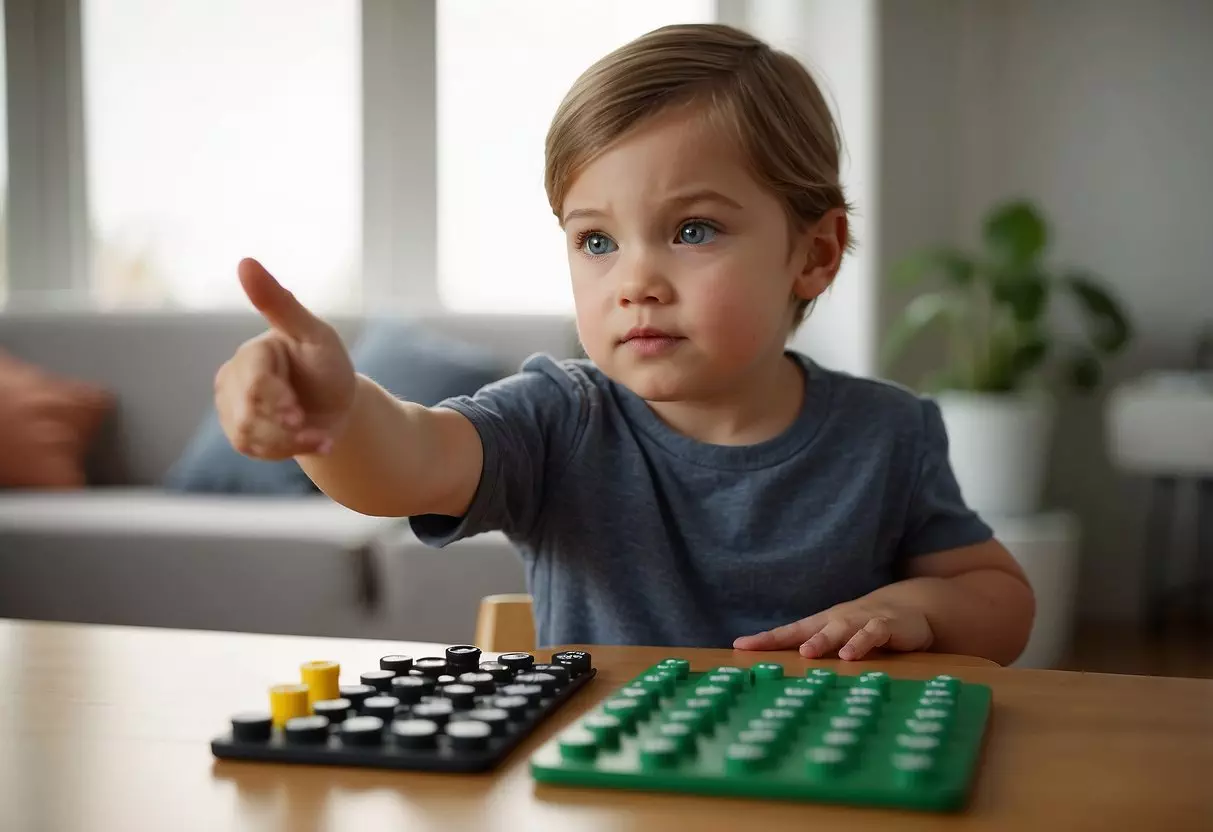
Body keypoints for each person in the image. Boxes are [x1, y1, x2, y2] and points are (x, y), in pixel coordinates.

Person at [213, 23, 1034, 663]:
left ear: (812, 255)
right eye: (596, 242)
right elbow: (408, 460)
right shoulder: (558, 419)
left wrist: (916, 611)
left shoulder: (886, 433)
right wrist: (337, 413)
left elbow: (998, 600)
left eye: (692, 229)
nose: (634, 281)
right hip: (603, 789)